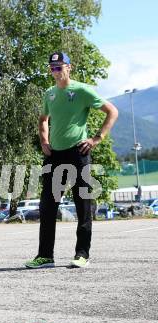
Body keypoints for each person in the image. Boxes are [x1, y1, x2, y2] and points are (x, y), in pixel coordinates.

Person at [25, 52, 118, 269]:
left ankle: (82, 254)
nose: (55, 72)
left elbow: (112, 111)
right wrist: (44, 141)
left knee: (82, 204)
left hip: (78, 153)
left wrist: (97, 138)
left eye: (59, 67)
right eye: (52, 68)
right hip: (54, 155)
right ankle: (45, 256)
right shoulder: (49, 94)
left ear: (69, 67)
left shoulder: (82, 90)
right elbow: (43, 120)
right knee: (48, 206)